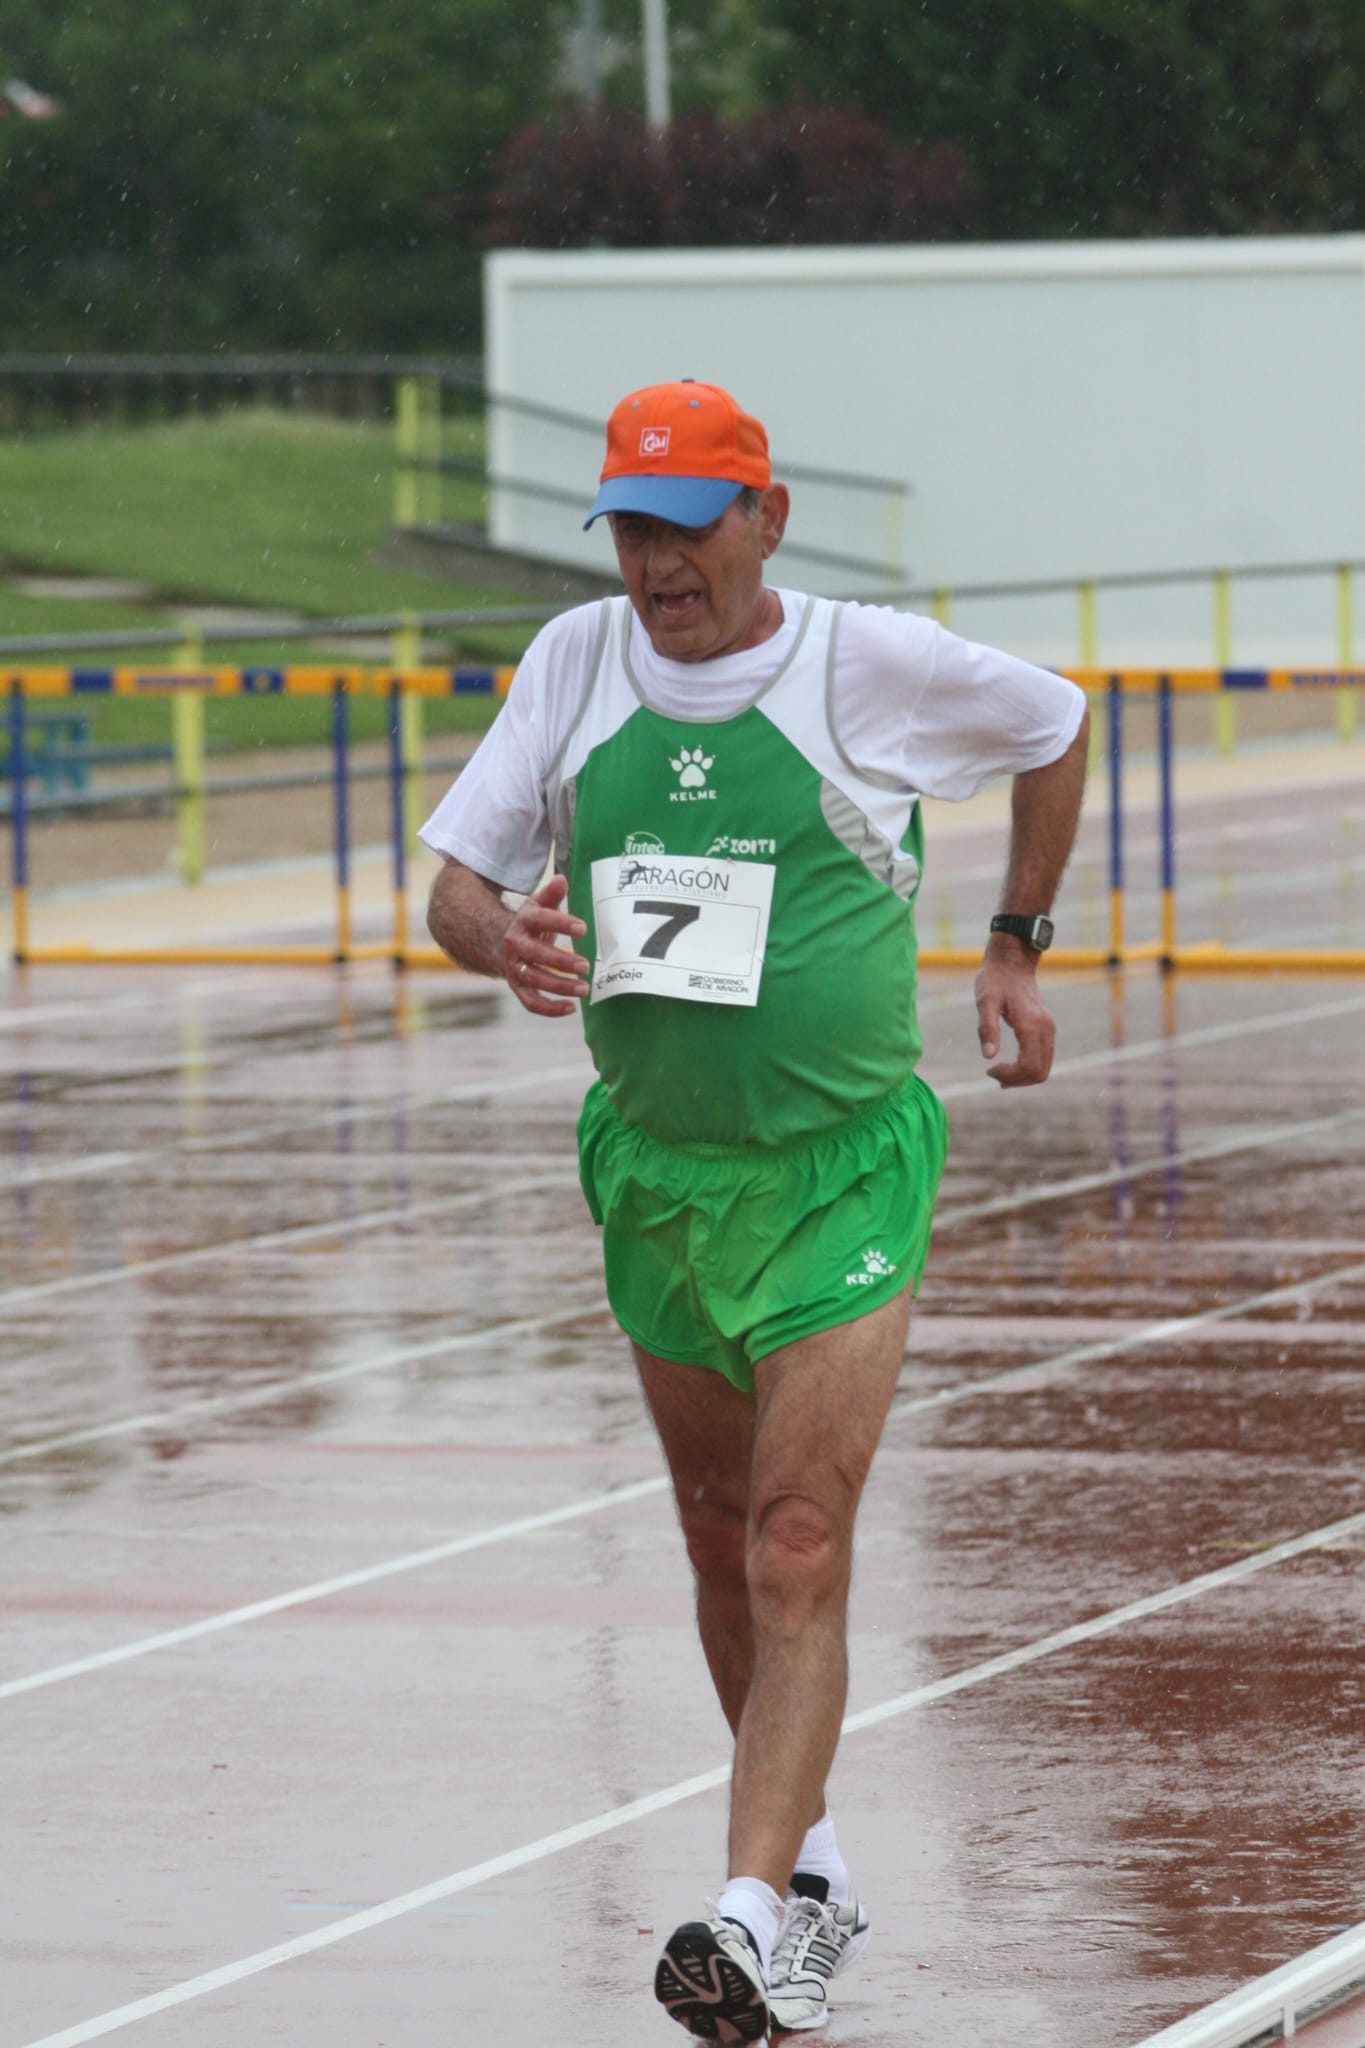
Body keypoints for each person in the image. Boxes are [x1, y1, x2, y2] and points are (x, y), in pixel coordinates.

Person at [421, 379, 1088, 2042]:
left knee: (799, 1538)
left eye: (686, 524)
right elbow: (453, 883)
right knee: (722, 1544)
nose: (656, 562)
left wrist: (1014, 941)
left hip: (843, 1166)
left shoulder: (863, 663)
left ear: (763, 519)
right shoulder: (571, 663)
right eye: (630, 528)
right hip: (656, 1173)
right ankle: (809, 1882)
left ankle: (732, 1912)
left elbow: (1058, 719)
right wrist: (497, 940)